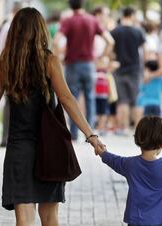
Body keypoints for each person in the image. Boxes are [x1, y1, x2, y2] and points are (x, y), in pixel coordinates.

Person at [0, 8, 106, 226]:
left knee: (24, 218)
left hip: (18, 150)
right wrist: (91, 136)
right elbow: (67, 100)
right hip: (49, 148)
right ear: (41, 32)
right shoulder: (49, 62)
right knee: (50, 218)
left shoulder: (3, 67)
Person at [95, 116, 162, 226]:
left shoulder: (130, 164)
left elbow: (114, 161)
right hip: (158, 221)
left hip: (134, 221)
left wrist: (102, 153)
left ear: (138, 139)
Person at [53, 0, 114, 140]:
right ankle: (90, 133)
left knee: (71, 99)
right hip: (89, 64)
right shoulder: (92, 20)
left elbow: (56, 41)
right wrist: (101, 57)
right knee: (90, 97)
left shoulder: (68, 21)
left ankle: (74, 133)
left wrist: (59, 58)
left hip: (72, 64)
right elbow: (110, 41)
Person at [111, 7, 146, 135]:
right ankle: (138, 129)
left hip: (119, 69)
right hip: (135, 70)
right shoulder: (138, 32)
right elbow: (144, 51)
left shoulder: (115, 31)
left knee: (122, 100)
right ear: (132, 15)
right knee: (136, 100)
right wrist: (145, 68)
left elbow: (110, 49)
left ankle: (123, 128)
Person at [0, 1, 23, 147]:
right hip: (22, 69)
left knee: (9, 103)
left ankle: (6, 137)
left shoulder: (8, 27)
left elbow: (1, 48)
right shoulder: (19, 27)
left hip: (11, 67)